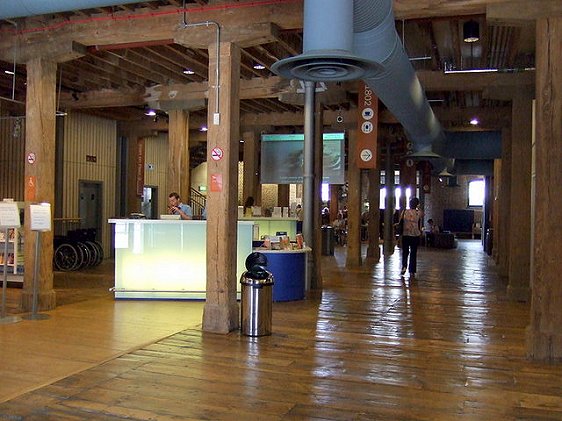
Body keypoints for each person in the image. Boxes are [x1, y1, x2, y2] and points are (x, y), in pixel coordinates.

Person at [400, 197, 422, 278]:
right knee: (413, 253)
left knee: (405, 252)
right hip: (415, 235)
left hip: (406, 234)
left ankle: (404, 266)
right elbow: (421, 219)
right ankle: (412, 270)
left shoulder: (404, 212)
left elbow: (400, 221)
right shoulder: (418, 213)